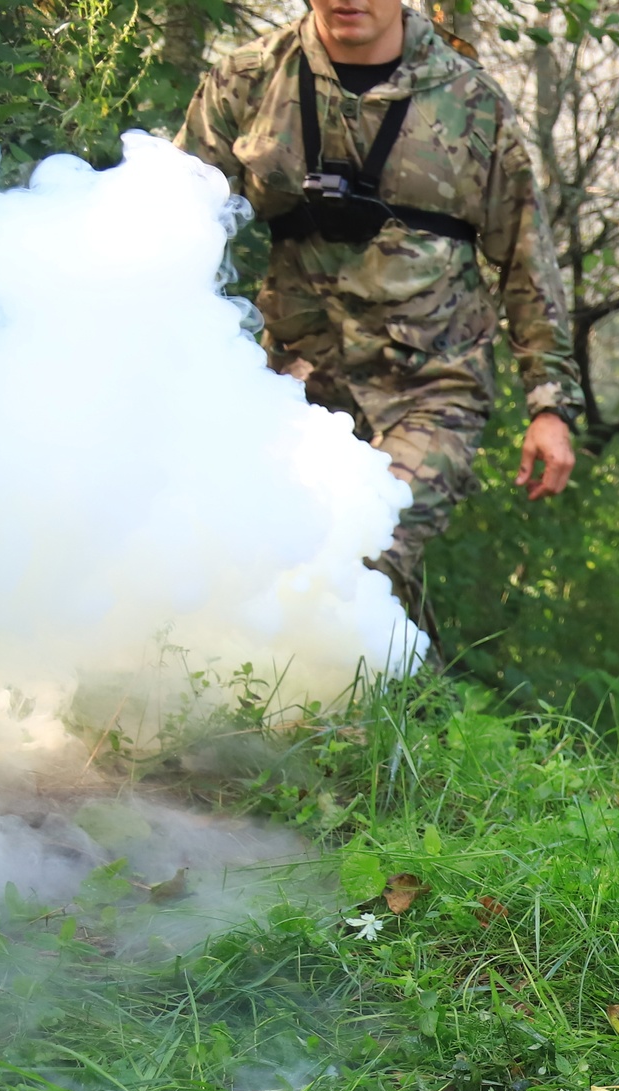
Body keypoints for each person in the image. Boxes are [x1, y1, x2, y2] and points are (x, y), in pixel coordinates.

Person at [178, 0, 581, 648]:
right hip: (293, 383)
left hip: (432, 385)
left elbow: (527, 259)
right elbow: (172, 223)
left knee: (360, 558)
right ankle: (415, 711)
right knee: (252, 559)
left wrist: (551, 404)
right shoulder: (250, 81)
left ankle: (310, 737)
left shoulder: (471, 103)